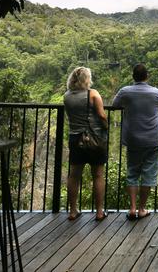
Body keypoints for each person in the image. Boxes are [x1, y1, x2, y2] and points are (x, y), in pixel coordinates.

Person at [112, 63, 158, 220]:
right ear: (147, 76)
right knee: (149, 173)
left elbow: (115, 104)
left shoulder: (125, 91)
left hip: (133, 139)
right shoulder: (155, 92)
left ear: (133, 77)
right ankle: (142, 209)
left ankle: (132, 208)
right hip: (153, 139)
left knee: (132, 172)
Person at [63, 67, 108, 221]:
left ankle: (73, 211)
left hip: (75, 139)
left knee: (74, 175)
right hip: (94, 139)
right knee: (98, 175)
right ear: (86, 79)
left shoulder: (67, 96)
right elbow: (101, 115)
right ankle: (100, 212)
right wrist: (106, 127)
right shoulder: (93, 94)